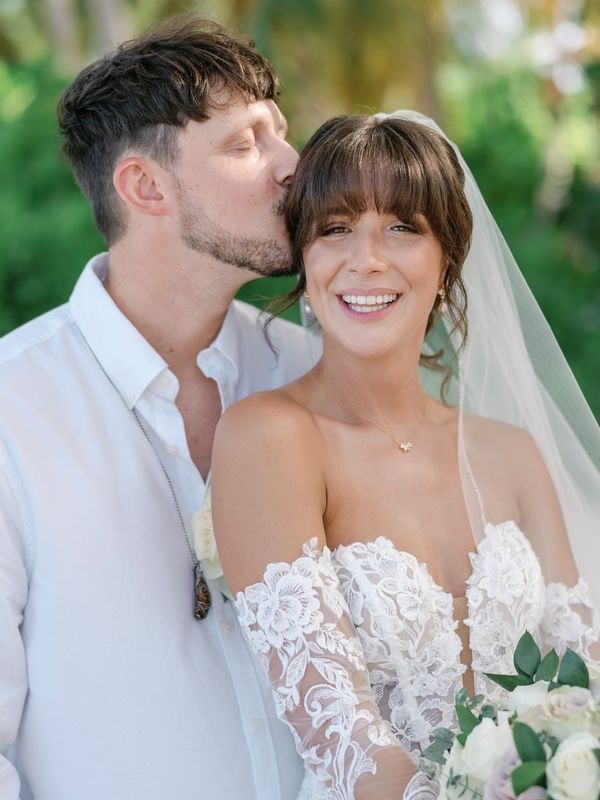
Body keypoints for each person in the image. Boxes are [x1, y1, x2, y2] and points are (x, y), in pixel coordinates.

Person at [211, 111, 600, 798]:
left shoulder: (512, 454)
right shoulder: (268, 439)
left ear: (446, 259)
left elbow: (585, 690)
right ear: (304, 257)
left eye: (402, 227)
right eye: (335, 229)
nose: (366, 259)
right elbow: (340, 737)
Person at [0, 17, 321, 800]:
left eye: (281, 132)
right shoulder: (13, 410)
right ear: (145, 187)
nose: (293, 165)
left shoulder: (314, 373)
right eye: (245, 144)